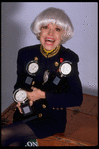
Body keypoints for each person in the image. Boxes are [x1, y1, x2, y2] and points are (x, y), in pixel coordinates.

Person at [1, 7, 83, 146]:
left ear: (63, 34)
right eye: (46, 27)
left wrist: (42, 95)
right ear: (39, 30)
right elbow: (19, 84)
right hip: (26, 113)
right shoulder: (25, 53)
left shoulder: (69, 58)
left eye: (57, 29)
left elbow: (76, 98)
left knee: (3, 134)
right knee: (13, 144)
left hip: (50, 119)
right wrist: (21, 97)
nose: (50, 33)